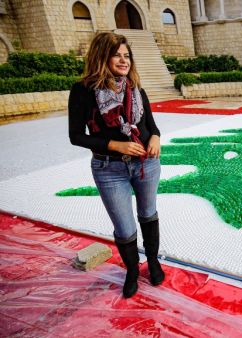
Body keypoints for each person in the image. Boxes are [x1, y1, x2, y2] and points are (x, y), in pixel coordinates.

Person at [68, 32, 164, 298]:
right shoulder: (83, 91)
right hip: (109, 170)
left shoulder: (136, 88)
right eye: (117, 55)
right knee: (124, 228)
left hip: (146, 165)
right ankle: (132, 271)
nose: (124, 60)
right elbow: (76, 136)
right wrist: (115, 145)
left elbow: (151, 127)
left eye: (127, 55)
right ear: (102, 56)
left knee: (148, 214)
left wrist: (155, 138)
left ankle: (153, 261)